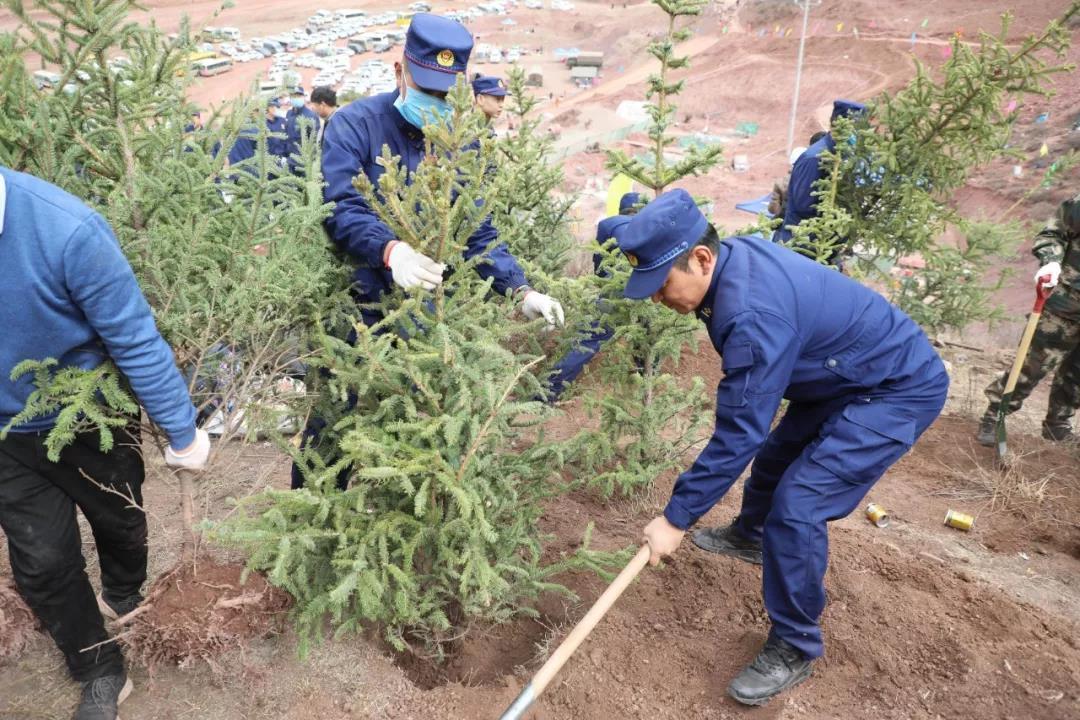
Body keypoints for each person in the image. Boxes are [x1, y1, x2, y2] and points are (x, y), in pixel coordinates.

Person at [616, 189, 948, 706]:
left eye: (661, 285)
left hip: (895, 388)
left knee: (799, 506)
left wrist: (675, 519)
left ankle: (795, 644)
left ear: (701, 259)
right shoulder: (732, 265)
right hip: (842, 373)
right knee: (775, 459)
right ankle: (750, 537)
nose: (659, 299)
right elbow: (754, 429)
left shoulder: (750, 316)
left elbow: (737, 432)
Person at [303, 13, 564, 490]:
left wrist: (519, 289)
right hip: (353, 301)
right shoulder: (353, 125)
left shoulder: (459, 144)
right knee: (333, 417)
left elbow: (477, 228)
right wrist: (391, 251)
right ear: (400, 71)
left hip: (423, 306)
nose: (437, 104)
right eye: (428, 90)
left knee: (422, 412)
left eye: (447, 94)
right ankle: (315, 516)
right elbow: (341, 205)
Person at [0, 167, 210, 720]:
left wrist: (182, 431)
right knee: (41, 564)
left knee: (121, 521)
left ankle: (123, 593)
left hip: (93, 415)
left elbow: (134, 336)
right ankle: (98, 667)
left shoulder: (68, 231)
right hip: (4, 432)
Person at [977, 193, 1080, 445]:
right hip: (1064, 306)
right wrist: (1051, 262)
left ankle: (1058, 425)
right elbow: (1052, 234)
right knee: (1031, 366)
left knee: (1077, 377)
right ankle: (995, 415)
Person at [545, 192, 642, 399]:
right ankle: (647, 379)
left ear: (621, 209)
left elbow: (600, 257)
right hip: (646, 288)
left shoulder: (609, 224)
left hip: (614, 289)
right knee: (646, 330)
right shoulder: (650, 226)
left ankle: (548, 393)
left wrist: (603, 281)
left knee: (589, 339)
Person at [773, 100, 866, 250]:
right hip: (800, 244)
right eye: (855, 127)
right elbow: (803, 205)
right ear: (838, 125)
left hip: (824, 244)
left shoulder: (843, 156)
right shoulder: (814, 158)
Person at [284, 86, 321, 174]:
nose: (296, 98)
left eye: (299, 96)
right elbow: (286, 135)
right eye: (294, 96)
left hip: (304, 162)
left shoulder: (311, 116)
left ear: (303, 97)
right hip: (290, 160)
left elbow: (315, 141)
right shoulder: (289, 114)